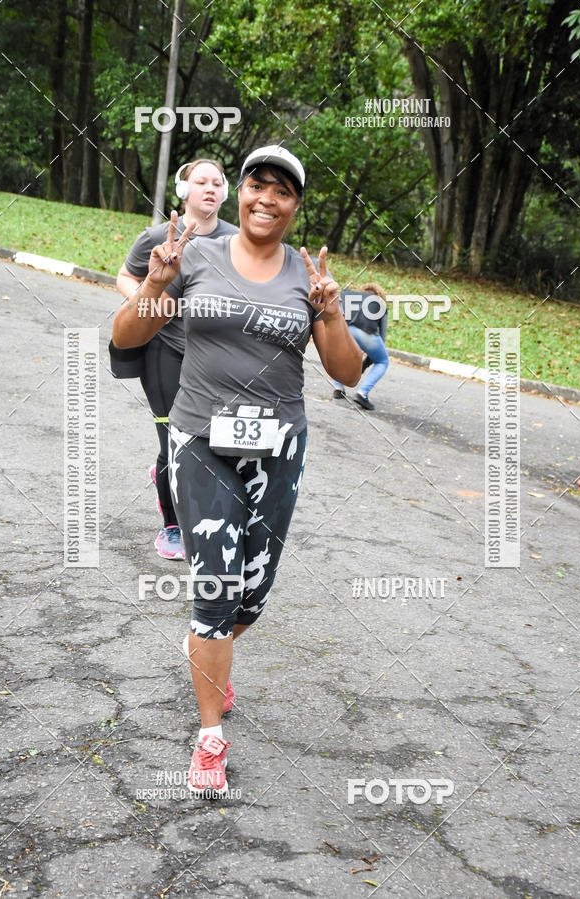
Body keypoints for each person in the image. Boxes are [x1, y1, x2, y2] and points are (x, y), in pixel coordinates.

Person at [112, 145, 362, 796]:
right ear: (241, 192)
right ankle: (209, 739)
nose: (265, 198)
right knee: (216, 591)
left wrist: (331, 312)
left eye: (282, 190)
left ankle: (209, 642)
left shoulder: (304, 277)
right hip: (201, 441)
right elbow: (126, 335)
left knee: (252, 596)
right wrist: (155, 286)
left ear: (294, 207)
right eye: (257, 184)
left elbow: (348, 372)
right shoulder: (194, 255)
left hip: (279, 449)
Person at [114, 159, 238, 560]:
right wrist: (147, 304)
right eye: (200, 182)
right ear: (183, 191)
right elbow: (124, 276)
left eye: (217, 183)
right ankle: (172, 525)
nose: (210, 189)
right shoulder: (156, 236)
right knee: (173, 442)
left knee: (214, 441)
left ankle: (209, 513)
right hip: (164, 350)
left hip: (213, 358)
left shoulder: (236, 241)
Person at [332, 281, 389, 410]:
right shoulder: (380, 304)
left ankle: (338, 388)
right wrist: (366, 364)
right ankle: (362, 393)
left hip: (348, 330)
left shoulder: (353, 300)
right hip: (368, 334)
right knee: (382, 361)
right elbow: (382, 335)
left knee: (343, 356)